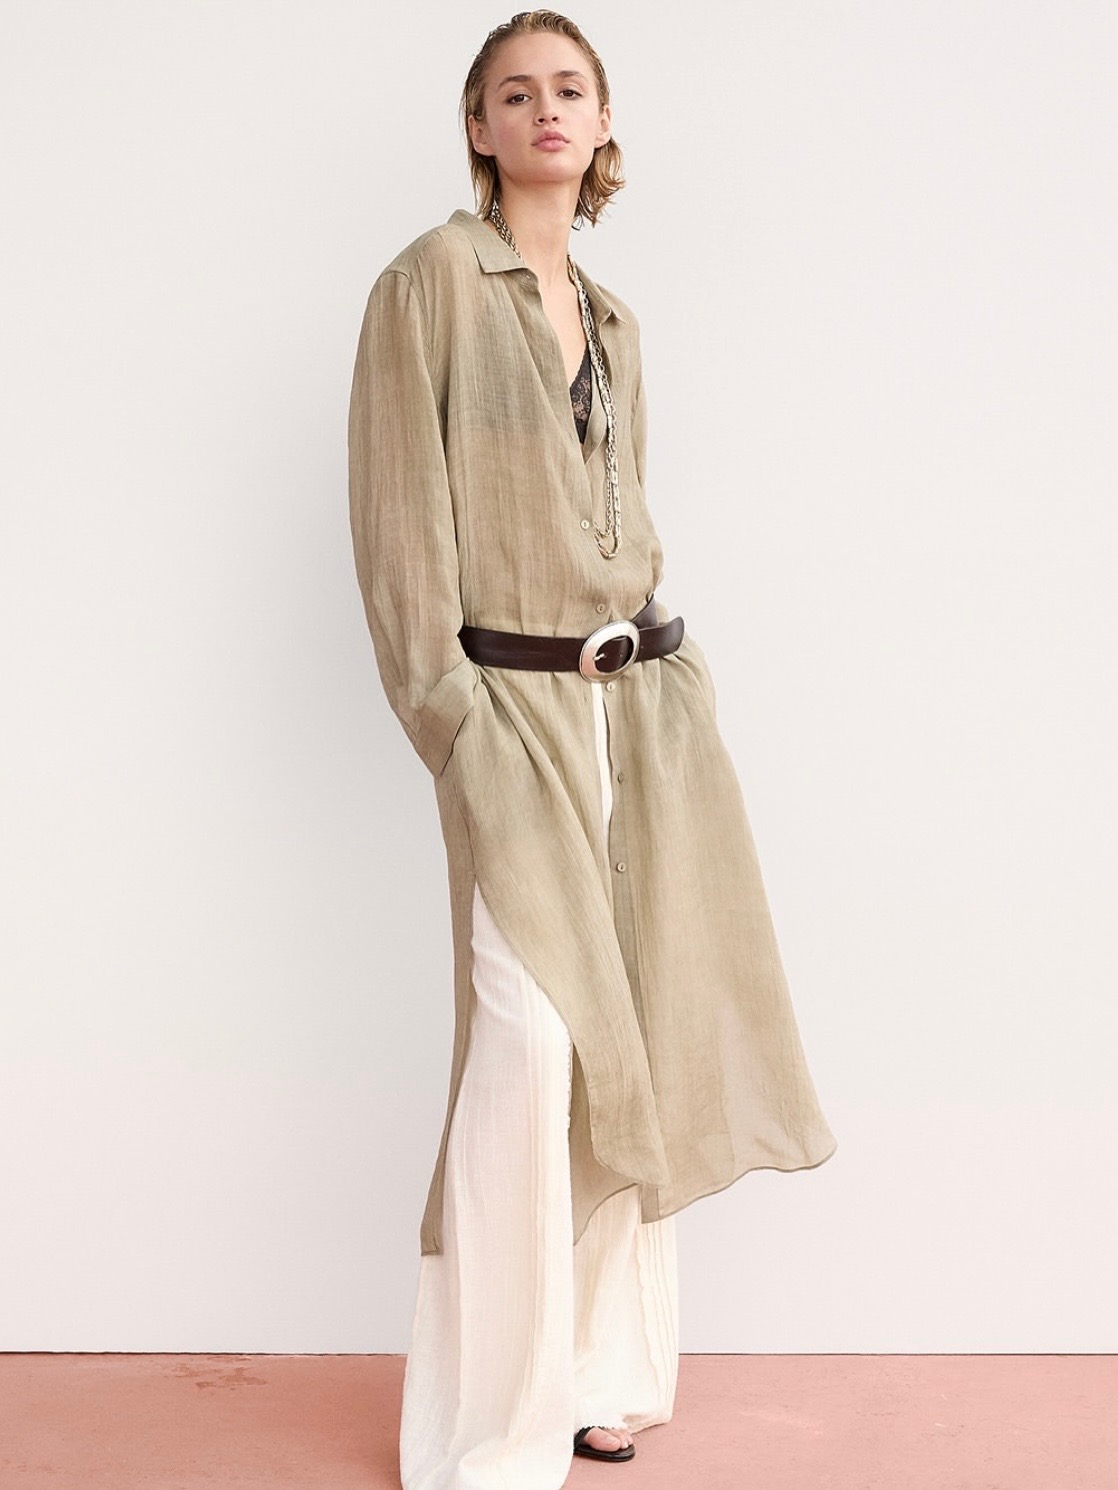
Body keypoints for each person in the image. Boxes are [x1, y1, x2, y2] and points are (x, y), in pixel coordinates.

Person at [347, 11, 838, 1488]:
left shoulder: (613, 320)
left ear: (604, 119)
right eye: (515, 93)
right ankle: (492, 1420)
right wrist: (451, 721)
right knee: (529, 1039)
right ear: (478, 127)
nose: (545, 110)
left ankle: (599, 1374)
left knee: (635, 1033)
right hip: (509, 713)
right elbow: (398, 523)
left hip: (642, 708)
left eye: (569, 89)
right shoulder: (430, 284)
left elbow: (619, 521)